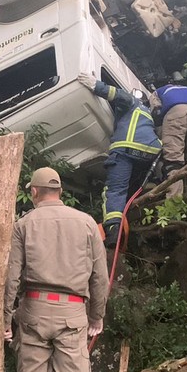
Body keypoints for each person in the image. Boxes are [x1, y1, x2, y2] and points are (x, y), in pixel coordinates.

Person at [4, 167, 110, 372]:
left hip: (33, 309)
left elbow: (12, 277)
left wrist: (6, 319)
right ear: (60, 191)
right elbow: (99, 277)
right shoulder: (87, 223)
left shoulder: (24, 225)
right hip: (72, 312)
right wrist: (97, 316)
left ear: (34, 192)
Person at [76, 72, 161, 248]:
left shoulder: (134, 103)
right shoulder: (148, 115)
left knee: (115, 190)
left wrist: (96, 85)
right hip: (150, 152)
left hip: (126, 148)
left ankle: (113, 231)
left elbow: (119, 95)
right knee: (132, 186)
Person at [153, 83, 187, 197]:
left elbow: (156, 112)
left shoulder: (157, 92)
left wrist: (160, 135)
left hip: (176, 111)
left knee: (173, 160)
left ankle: (175, 201)